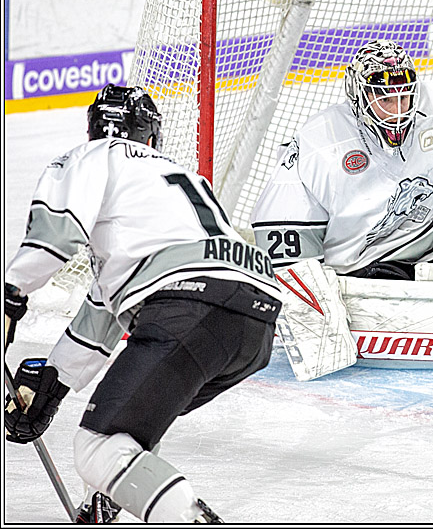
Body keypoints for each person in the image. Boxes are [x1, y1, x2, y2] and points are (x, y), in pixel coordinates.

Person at [4, 85, 283, 523]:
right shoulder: (177, 182)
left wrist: (12, 291)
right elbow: (106, 308)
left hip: (192, 304)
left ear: (95, 130)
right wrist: (54, 384)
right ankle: (109, 495)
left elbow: (56, 233)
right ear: (151, 138)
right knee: (133, 413)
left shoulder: (93, 156)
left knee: (98, 445)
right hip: (254, 320)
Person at [250, 39, 433, 277]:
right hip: (364, 264)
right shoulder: (320, 142)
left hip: (432, 245)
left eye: (403, 97)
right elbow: (286, 239)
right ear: (359, 94)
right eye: (384, 98)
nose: (396, 112)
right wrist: (311, 298)